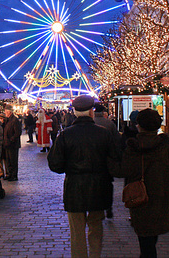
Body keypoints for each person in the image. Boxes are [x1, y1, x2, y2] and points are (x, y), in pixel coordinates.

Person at [47, 95, 120, 258]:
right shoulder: (104, 134)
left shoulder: (66, 135)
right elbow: (115, 160)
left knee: (77, 231)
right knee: (96, 227)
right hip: (99, 187)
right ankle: (95, 255)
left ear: (74, 112)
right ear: (92, 112)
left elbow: (55, 164)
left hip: (75, 188)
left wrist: (69, 168)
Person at [108, 109, 169, 258]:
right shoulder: (165, 146)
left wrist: (109, 160)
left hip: (140, 197)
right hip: (162, 197)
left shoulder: (134, 147)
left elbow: (122, 170)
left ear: (138, 125)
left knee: (145, 240)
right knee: (151, 238)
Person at [93, 103, 122, 220]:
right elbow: (116, 141)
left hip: (94, 159)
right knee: (107, 185)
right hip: (107, 160)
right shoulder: (109, 124)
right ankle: (108, 207)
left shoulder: (91, 123)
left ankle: (96, 207)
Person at [1, 104, 21, 181]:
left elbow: (17, 133)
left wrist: (11, 140)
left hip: (13, 145)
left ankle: (14, 175)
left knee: (13, 161)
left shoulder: (14, 120)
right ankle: (9, 174)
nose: (5, 113)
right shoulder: (8, 120)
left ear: (9, 112)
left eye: (6, 111)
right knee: (8, 160)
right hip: (7, 144)